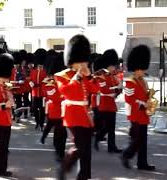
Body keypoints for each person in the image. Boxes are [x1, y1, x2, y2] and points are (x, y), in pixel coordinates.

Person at [55, 34, 99, 180]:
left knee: (87, 150)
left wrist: (89, 76)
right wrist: (78, 77)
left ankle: (84, 176)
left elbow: (95, 90)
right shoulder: (62, 75)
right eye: (80, 61)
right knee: (79, 147)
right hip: (72, 115)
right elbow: (66, 92)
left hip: (86, 115)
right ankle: (64, 167)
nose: (83, 64)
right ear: (72, 61)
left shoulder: (86, 74)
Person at [120, 45, 155, 171]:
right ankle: (125, 155)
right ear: (135, 69)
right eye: (141, 69)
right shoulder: (130, 82)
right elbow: (129, 99)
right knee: (136, 140)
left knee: (143, 141)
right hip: (135, 115)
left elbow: (145, 95)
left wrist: (150, 95)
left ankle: (142, 163)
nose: (143, 71)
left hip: (143, 115)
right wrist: (142, 103)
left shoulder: (143, 81)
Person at [93, 49, 122, 153]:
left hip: (111, 103)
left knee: (111, 128)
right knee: (105, 127)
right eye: (113, 66)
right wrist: (115, 88)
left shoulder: (111, 76)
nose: (114, 68)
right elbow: (103, 89)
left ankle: (112, 146)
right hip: (103, 103)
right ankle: (97, 138)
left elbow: (115, 89)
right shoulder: (100, 76)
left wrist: (119, 89)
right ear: (108, 65)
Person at [40, 52, 67, 162]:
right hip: (55, 111)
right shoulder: (49, 84)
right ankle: (59, 152)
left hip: (64, 111)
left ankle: (60, 151)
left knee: (62, 133)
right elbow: (56, 99)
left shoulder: (62, 82)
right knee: (59, 132)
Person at [30, 49, 47, 130]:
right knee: (35, 109)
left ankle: (41, 123)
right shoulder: (33, 71)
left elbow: (47, 82)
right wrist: (32, 84)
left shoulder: (45, 71)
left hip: (42, 93)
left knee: (42, 109)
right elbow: (30, 80)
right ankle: (37, 122)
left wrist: (41, 85)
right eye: (39, 65)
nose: (39, 66)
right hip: (34, 93)